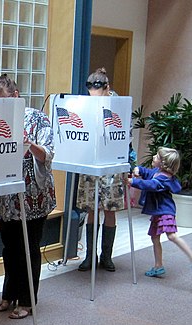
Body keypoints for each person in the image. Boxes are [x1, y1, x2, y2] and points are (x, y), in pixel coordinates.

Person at [0, 74, 56, 319]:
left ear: (16, 96)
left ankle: (27, 301)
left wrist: (28, 143)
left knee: (29, 248)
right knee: (10, 247)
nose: (0, 107)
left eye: (4, 101)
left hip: (33, 196)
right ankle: (9, 295)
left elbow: (48, 154)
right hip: (7, 197)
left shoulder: (36, 118)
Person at [77, 67, 127, 272]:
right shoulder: (86, 104)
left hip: (112, 165)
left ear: (107, 88)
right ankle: (90, 256)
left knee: (109, 209)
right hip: (90, 162)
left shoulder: (118, 106)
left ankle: (107, 256)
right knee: (91, 208)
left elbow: (125, 138)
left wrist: (126, 167)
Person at [129, 147, 192, 277]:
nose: (153, 157)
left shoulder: (163, 179)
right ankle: (158, 266)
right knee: (155, 237)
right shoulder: (157, 172)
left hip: (165, 211)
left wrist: (133, 182)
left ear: (163, 163)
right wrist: (138, 169)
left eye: (157, 157)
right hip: (159, 211)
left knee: (172, 236)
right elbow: (148, 173)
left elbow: (150, 184)